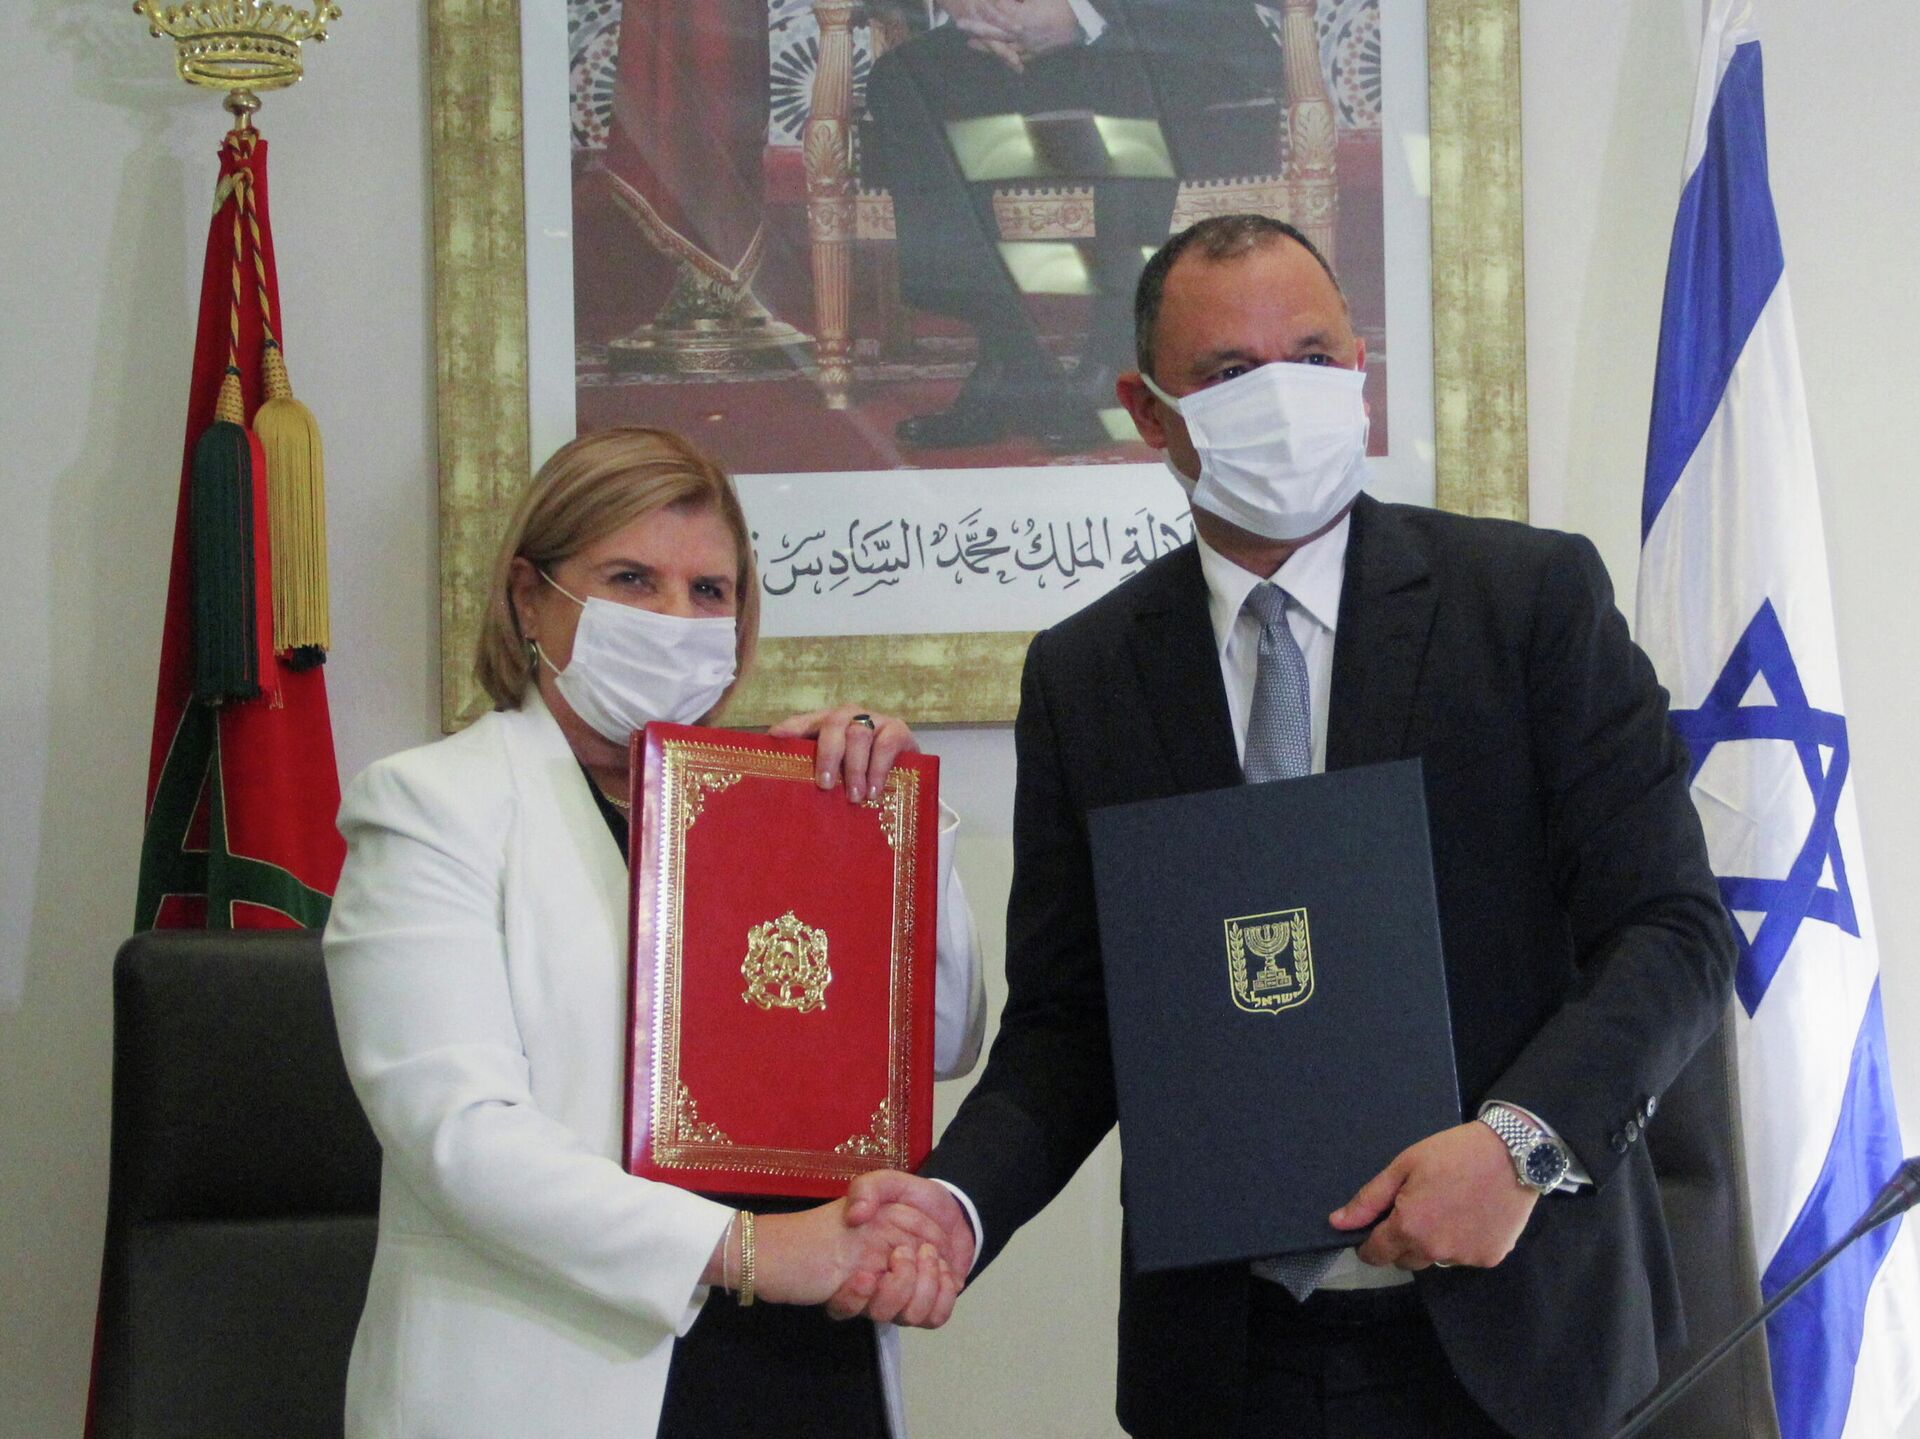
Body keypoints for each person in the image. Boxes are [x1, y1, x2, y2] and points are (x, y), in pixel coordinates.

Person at [837, 215, 1737, 1439]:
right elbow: (1072, 1022)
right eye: (1229, 372)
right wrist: (956, 1203)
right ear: (1147, 412)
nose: (1284, 396)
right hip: (1230, 1359)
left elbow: (1674, 931)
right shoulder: (1086, 675)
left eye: (1313, 358)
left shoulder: (1527, 602)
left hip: (1523, 1339)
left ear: (1358, 370)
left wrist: (1518, 1142)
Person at [322, 427, 986, 1439]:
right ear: (529, 596)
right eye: (632, 579)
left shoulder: (772, 805)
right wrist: (755, 1249)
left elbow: (942, 1036)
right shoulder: (431, 806)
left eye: (709, 591)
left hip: (807, 1359)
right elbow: (461, 1135)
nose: (676, 617)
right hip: (556, 1376)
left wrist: (877, 828)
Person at [863, 0, 1280, 449]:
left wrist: (1078, 14)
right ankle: (1012, 354)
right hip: (1023, 38)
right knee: (901, 78)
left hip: (1165, 32)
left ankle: (1110, 359)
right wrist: (973, 9)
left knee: (1131, 72)